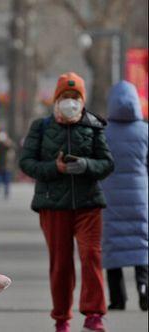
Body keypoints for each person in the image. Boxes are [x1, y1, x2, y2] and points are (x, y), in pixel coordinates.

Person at [19, 72, 114, 332]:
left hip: (88, 204)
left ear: (82, 100)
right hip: (53, 205)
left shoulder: (94, 126)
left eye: (75, 97)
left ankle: (94, 314)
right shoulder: (41, 127)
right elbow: (27, 162)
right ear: (56, 99)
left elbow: (107, 163)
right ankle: (62, 317)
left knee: (91, 256)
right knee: (60, 263)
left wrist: (85, 165)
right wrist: (55, 168)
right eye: (65, 96)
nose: (70, 101)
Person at [100, 81, 148, 311]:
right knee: (142, 243)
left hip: (110, 195)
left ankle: (118, 298)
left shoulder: (105, 132)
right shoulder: (145, 131)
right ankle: (144, 288)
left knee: (112, 245)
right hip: (140, 195)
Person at [0, 131, 15, 200]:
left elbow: (11, 147)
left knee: (6, 182)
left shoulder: (7, 146)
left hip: (6, 166)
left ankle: (5, 193)